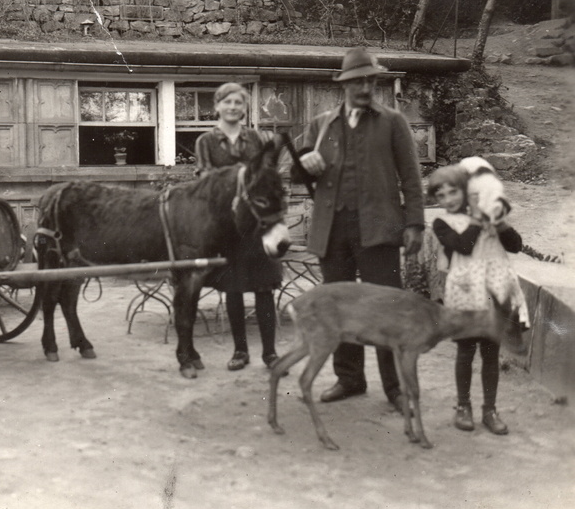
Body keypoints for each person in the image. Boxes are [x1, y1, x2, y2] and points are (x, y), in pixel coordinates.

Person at [292, 47, 425, 413]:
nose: (365, 87)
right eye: (357, 81)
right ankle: (349, 379)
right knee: (340, 307)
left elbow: (412, 177)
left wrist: (415, 223)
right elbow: (295, 171)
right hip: (331, 231)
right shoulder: (322, 125)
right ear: (344, 85)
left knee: (386, 309)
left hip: (379, 229)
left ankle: (395, 387)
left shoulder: (393, 122)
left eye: (370, 80)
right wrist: (306, 161)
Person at [427, 164, 528, 435]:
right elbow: (464, 245)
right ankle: (463, 406)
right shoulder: (442, 223)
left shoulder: (489, 216)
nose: (449, 200)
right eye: (441, 196)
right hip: (464, 294)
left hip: (494, 293)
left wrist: (499, 222)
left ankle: (490, 410)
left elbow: (515, 245)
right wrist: (479, 220)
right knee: (465, 351)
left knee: (490, 353)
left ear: (466, 191)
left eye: (454, 192)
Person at [195, 82, 283, 371]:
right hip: (228, 226)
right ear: (217, 106)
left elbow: (266, 174)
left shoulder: (256, 138)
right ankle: (240, 351)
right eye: (227, 102)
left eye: (239, 103)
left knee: (264, 287)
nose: (233, 107)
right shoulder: (206, 142)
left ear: (245, 109)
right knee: (233, 288)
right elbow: (206, 182)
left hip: (257, 224)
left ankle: (270, 353)